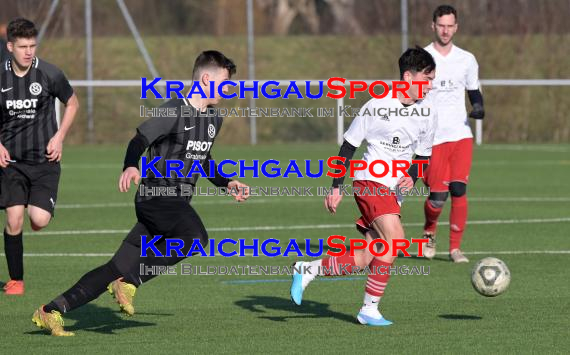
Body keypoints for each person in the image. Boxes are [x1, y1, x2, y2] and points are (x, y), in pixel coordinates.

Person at [32, 50, 250, 336]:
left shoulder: (213, 120)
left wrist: (226, 182)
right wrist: (130, 166)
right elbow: (139, 140)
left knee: (114, 268)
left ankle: (50, 311)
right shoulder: (172, 110)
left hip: (172, 205)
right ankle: (130, 281)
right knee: (195, 238)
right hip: (157, 196)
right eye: (224, 83)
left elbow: (203, 159)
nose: (228, 89)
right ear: (206, 79)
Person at [290, 47, 437, 326]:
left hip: (394, 193)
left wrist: (412, 176)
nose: (430, 86)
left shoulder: (428, 113)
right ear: (408, 76)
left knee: (365, 256)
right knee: (395, 241)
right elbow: (348, 146)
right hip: (370, 181)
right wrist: (336, 187)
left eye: (433, 80)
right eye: (426, 79)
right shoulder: (376, 105)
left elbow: (424, 154)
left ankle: (308, 269)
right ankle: (369, 310)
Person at [0, 18, 79, 295]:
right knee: (13, 220)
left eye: (33, 45)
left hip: (45, 162)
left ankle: (35, 208)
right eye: (23, 46)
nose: (29, 51)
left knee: (39, 219)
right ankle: (16, 280)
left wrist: (60, 137)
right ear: (10, 46)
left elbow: (72, 102)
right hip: (11, 164)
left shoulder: (49, 73)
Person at [422, 5, 485, 263]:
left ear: (456, 27)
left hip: (461, 134)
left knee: (459, 188)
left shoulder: (467, 59)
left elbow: (473, 91)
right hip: (432, 138)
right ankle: (429, 232)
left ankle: (455, 249)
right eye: (441, 25)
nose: (445, 30)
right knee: (437, 198)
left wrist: (478, 106)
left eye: (450, 26)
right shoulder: (421, 58)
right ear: (433, 26)